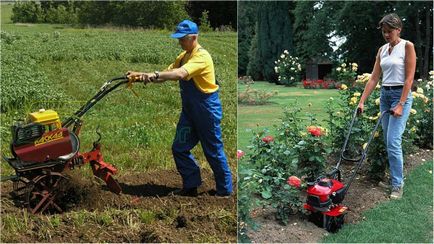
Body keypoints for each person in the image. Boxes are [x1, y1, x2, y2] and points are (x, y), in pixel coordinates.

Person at [127, 20, 233, 197]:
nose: (180, 42)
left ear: (194, 37)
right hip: (190, 112)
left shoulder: (201, 56)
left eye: (182, 39)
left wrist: (154, 74)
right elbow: (164, 76)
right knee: (179, 148)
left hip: (206, 110)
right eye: (179, 39)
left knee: (213, 151)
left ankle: (224, 191)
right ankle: (191, 185)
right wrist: (139, 76)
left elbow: (180, 74)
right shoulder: (183, 56)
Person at [357, 13, 416, 199]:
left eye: (389, 31)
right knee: (388, 140)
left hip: (401, 95)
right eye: (384, 32)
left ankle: (397, 185)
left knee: (393, 141)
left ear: (398, 30)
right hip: (385, 95)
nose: (386, 35)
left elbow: (408, 79)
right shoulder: (382, 50)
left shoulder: (407, 46)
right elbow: (374, 78)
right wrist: (362, 101)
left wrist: (401, 104)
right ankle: (393, 179)